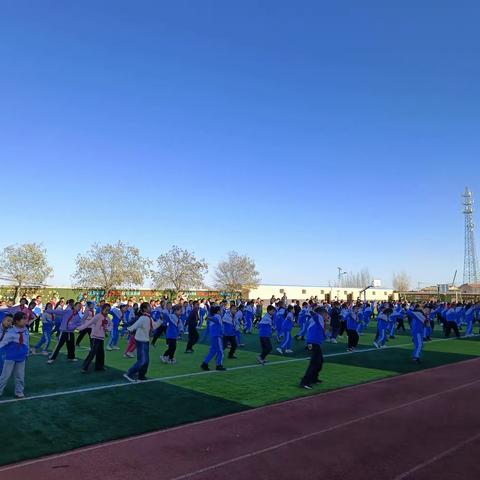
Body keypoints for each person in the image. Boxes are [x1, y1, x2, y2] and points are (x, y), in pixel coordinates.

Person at [123, 302, 161, 382]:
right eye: (149, 307)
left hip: (144, 340)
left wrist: (160, 320)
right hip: (141, 341)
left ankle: (141, 376)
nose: (150, 308)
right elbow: (135, 325)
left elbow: (154, 326)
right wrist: (128, 330)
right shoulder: (143, 318)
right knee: (143, 360)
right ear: (145, 309)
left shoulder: (148, 318)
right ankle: (130, 373)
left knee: (145, 360)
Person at [0, 312, 30, 398]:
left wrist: (27, 353)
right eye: (23, 319)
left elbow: (27, 342)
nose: (25, 321)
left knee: (20, 376)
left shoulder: (26, 330)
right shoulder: (10, 331)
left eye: (26, 319)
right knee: (5, 376)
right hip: (10, 357)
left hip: (21, 357)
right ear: (16, 321)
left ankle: (19, 392)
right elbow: (3, 342)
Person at [300, 306, 328, 389]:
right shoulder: (318, 317)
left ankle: (314, 378)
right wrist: (312, 312)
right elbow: (314, 314)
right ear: (321, 313)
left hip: (314, 342)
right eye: (325, 314)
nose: (326, 315)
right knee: (315, 363)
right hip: (313, 343)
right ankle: (305, 382)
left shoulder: (319, 320)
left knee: (319, 362)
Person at [79, 303, 112, 373]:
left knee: (101, 353)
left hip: (101, 337)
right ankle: (84, 367)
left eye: (109, 310)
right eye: (106, 310)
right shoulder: (98, 316)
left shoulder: (107, 318)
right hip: (95, 337)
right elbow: (89, 323)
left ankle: (99, 367)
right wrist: (80, 328)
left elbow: (111, 325)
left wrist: (108, 329)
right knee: (93, 352)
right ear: (102, 309)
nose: (107, 312)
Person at [201, 306, 226, 371]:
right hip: (217, 337)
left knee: (213, 351)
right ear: (218, 311)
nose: (222, 311)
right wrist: (209, 318)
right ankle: (219, 365)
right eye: (221, 310)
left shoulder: (215, 316)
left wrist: (209, 318)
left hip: (213, 336)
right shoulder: (217, 316)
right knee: (220, 351)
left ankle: (205, 363)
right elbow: (215, 320)